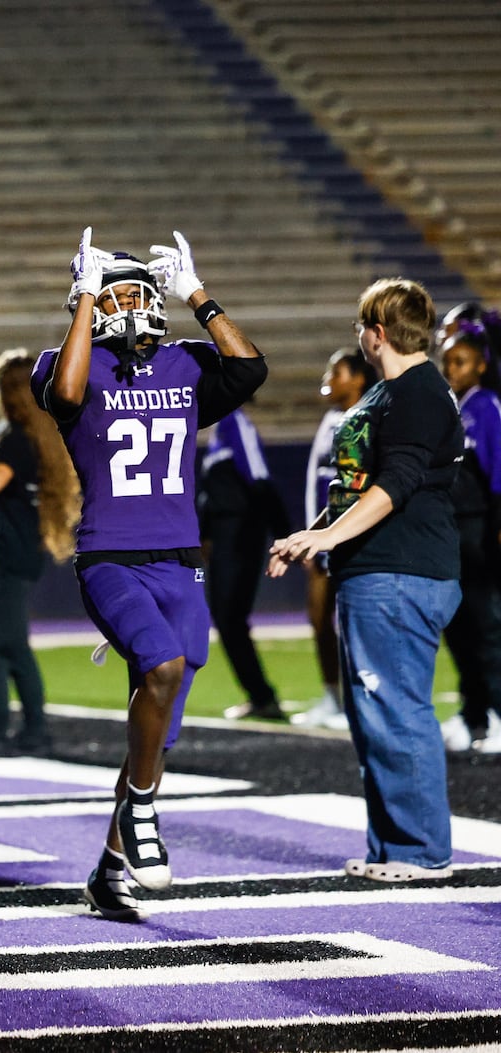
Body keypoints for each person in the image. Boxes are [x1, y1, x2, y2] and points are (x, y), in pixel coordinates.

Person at [32, 229, 266, 921]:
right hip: (110, 556)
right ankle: (142, 811)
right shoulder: (70, 362)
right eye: (117, 292)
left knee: (156, 739)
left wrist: (199, 294)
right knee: (160, 669)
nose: (131, 302)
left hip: (180, 561)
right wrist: (82, 295)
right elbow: (67, 393)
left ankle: (109, 868)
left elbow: (250, 370)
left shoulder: (186, 363)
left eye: (141, 290)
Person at [269, 277, 463, 882]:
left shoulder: (417, 394)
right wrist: (311, 535)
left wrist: (328, 537)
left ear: (376, 333)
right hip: (378, 570)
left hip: (400, 572)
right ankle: (392, 845)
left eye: (361, 327)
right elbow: (358, 489)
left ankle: (419, 850)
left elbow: (396, 483)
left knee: (396, 709)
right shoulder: (393, 392)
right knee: (374, 713)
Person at [0, 348, 80, 757]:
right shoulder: (27, 431)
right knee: (13, 647)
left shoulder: (19, 437)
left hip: (6, 555)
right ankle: (33, 730)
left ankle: (0, 732)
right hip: (14, 552)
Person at [292, 348, 376, 730]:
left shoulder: (372, 417)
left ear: (358, 378)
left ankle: (365, 699)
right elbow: (316, 481)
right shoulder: (329, 422)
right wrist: (313, 535)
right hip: (326, 537)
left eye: (337, 370)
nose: (328, 376)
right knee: (319, 617)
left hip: (359, 536)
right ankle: (331, 695)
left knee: (361, 622)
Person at [436, 308, 501, 753]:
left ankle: (497, 714)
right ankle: (472, 711)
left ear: (480, 362)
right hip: (453, 537)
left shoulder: (488, 406)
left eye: (459, 362)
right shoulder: (454, 410)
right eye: (447, 364)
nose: (452, 371)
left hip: (481, 534)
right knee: (458, 628)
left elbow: (499, 478)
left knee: (488, 630)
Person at [202, 407, 292, 721]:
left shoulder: (233, 421)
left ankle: (263, 697)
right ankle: (260, 696)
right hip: (227, 539)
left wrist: (285, 536)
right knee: (228, 619)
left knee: (230, 617)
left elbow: (259, 477)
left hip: (240, 538)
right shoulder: (221, 429)